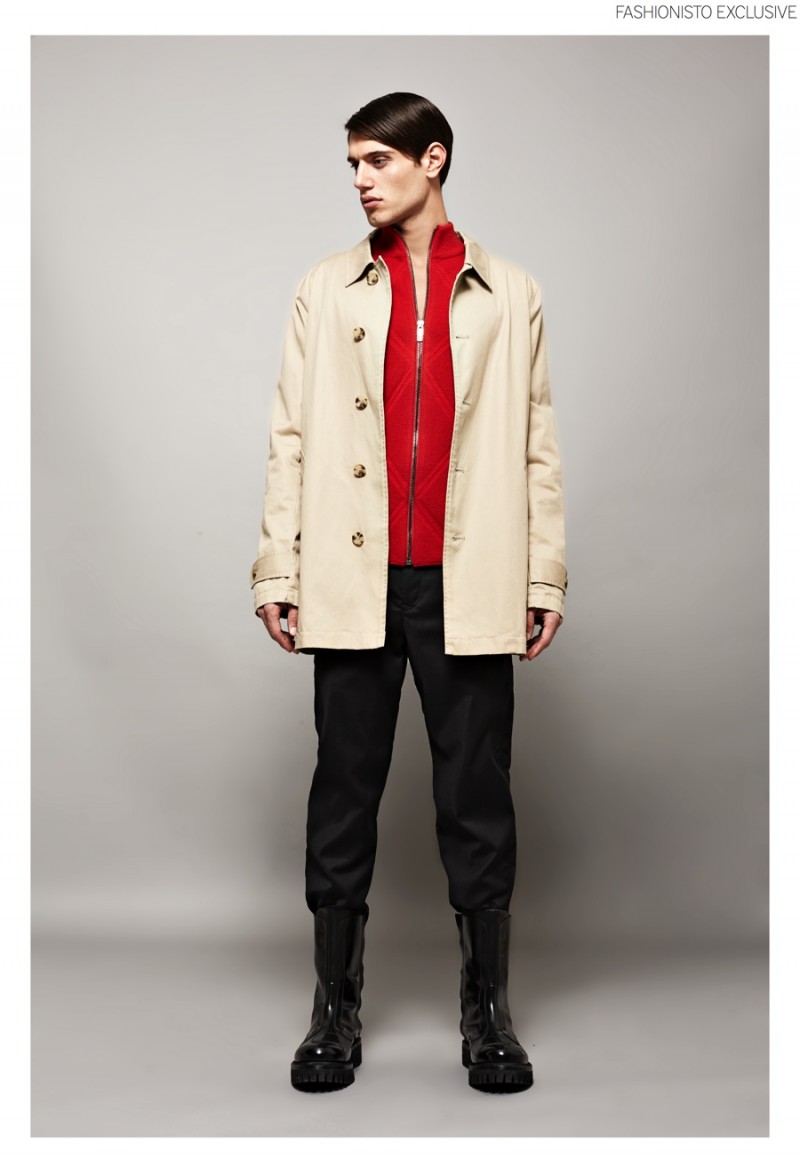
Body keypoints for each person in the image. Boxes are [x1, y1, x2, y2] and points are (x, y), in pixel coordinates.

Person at [249, 92, 567, 1094]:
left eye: (377, 160)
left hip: (467, 581)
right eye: (352, 162)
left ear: (432, 160)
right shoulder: (327, 287)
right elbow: (291, 436)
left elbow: (536, 444)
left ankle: (488, 1012)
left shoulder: (508, 291)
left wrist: (541, 573)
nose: (360, 179)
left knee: (476, 797)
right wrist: (279, 565)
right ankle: (333, 1009)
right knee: (343, 790)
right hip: (352, 579)